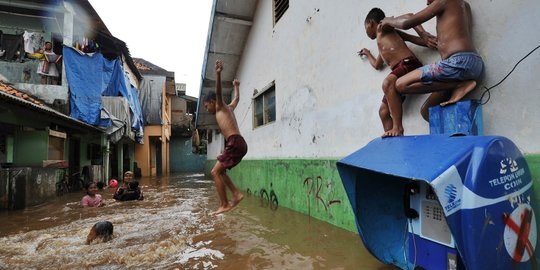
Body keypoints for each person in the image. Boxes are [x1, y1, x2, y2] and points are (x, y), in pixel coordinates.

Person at [380, 0, 484, 133]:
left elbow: (406, 22)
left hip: (458, 63)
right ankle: (455, 137)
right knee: (427, 111)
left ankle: (459, 86)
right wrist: (425, 37)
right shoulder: (463, 6)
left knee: (400, 84)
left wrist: (388, 21)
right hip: (470, 65)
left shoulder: (444, 1)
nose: (427, 3)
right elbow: (449, 37)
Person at [359, 8, 436, 137]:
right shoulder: (382, 41)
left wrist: (424, 35)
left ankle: (397, 128)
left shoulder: (383, 27)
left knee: (387, 83)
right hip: (399, 71)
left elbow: (409, 16)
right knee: (383, 112)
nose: (366, 31)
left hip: (408, 63)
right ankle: (395, 141)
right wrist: (367, 53)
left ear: (371, 23)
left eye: (365, 27)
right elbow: (378, 65)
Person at [203, 59, 248, 215]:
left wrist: (218, 73)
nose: (206, 108)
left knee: (214, 172)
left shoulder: (220, 107)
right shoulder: (229, 108)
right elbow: (237, 100)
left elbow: (219, 92)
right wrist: (236, 87)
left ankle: (224, 204)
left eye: (206, 105)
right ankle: (236, 194)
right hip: (238, 143)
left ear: (212, 102)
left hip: (235, 142)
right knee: (221, 171)